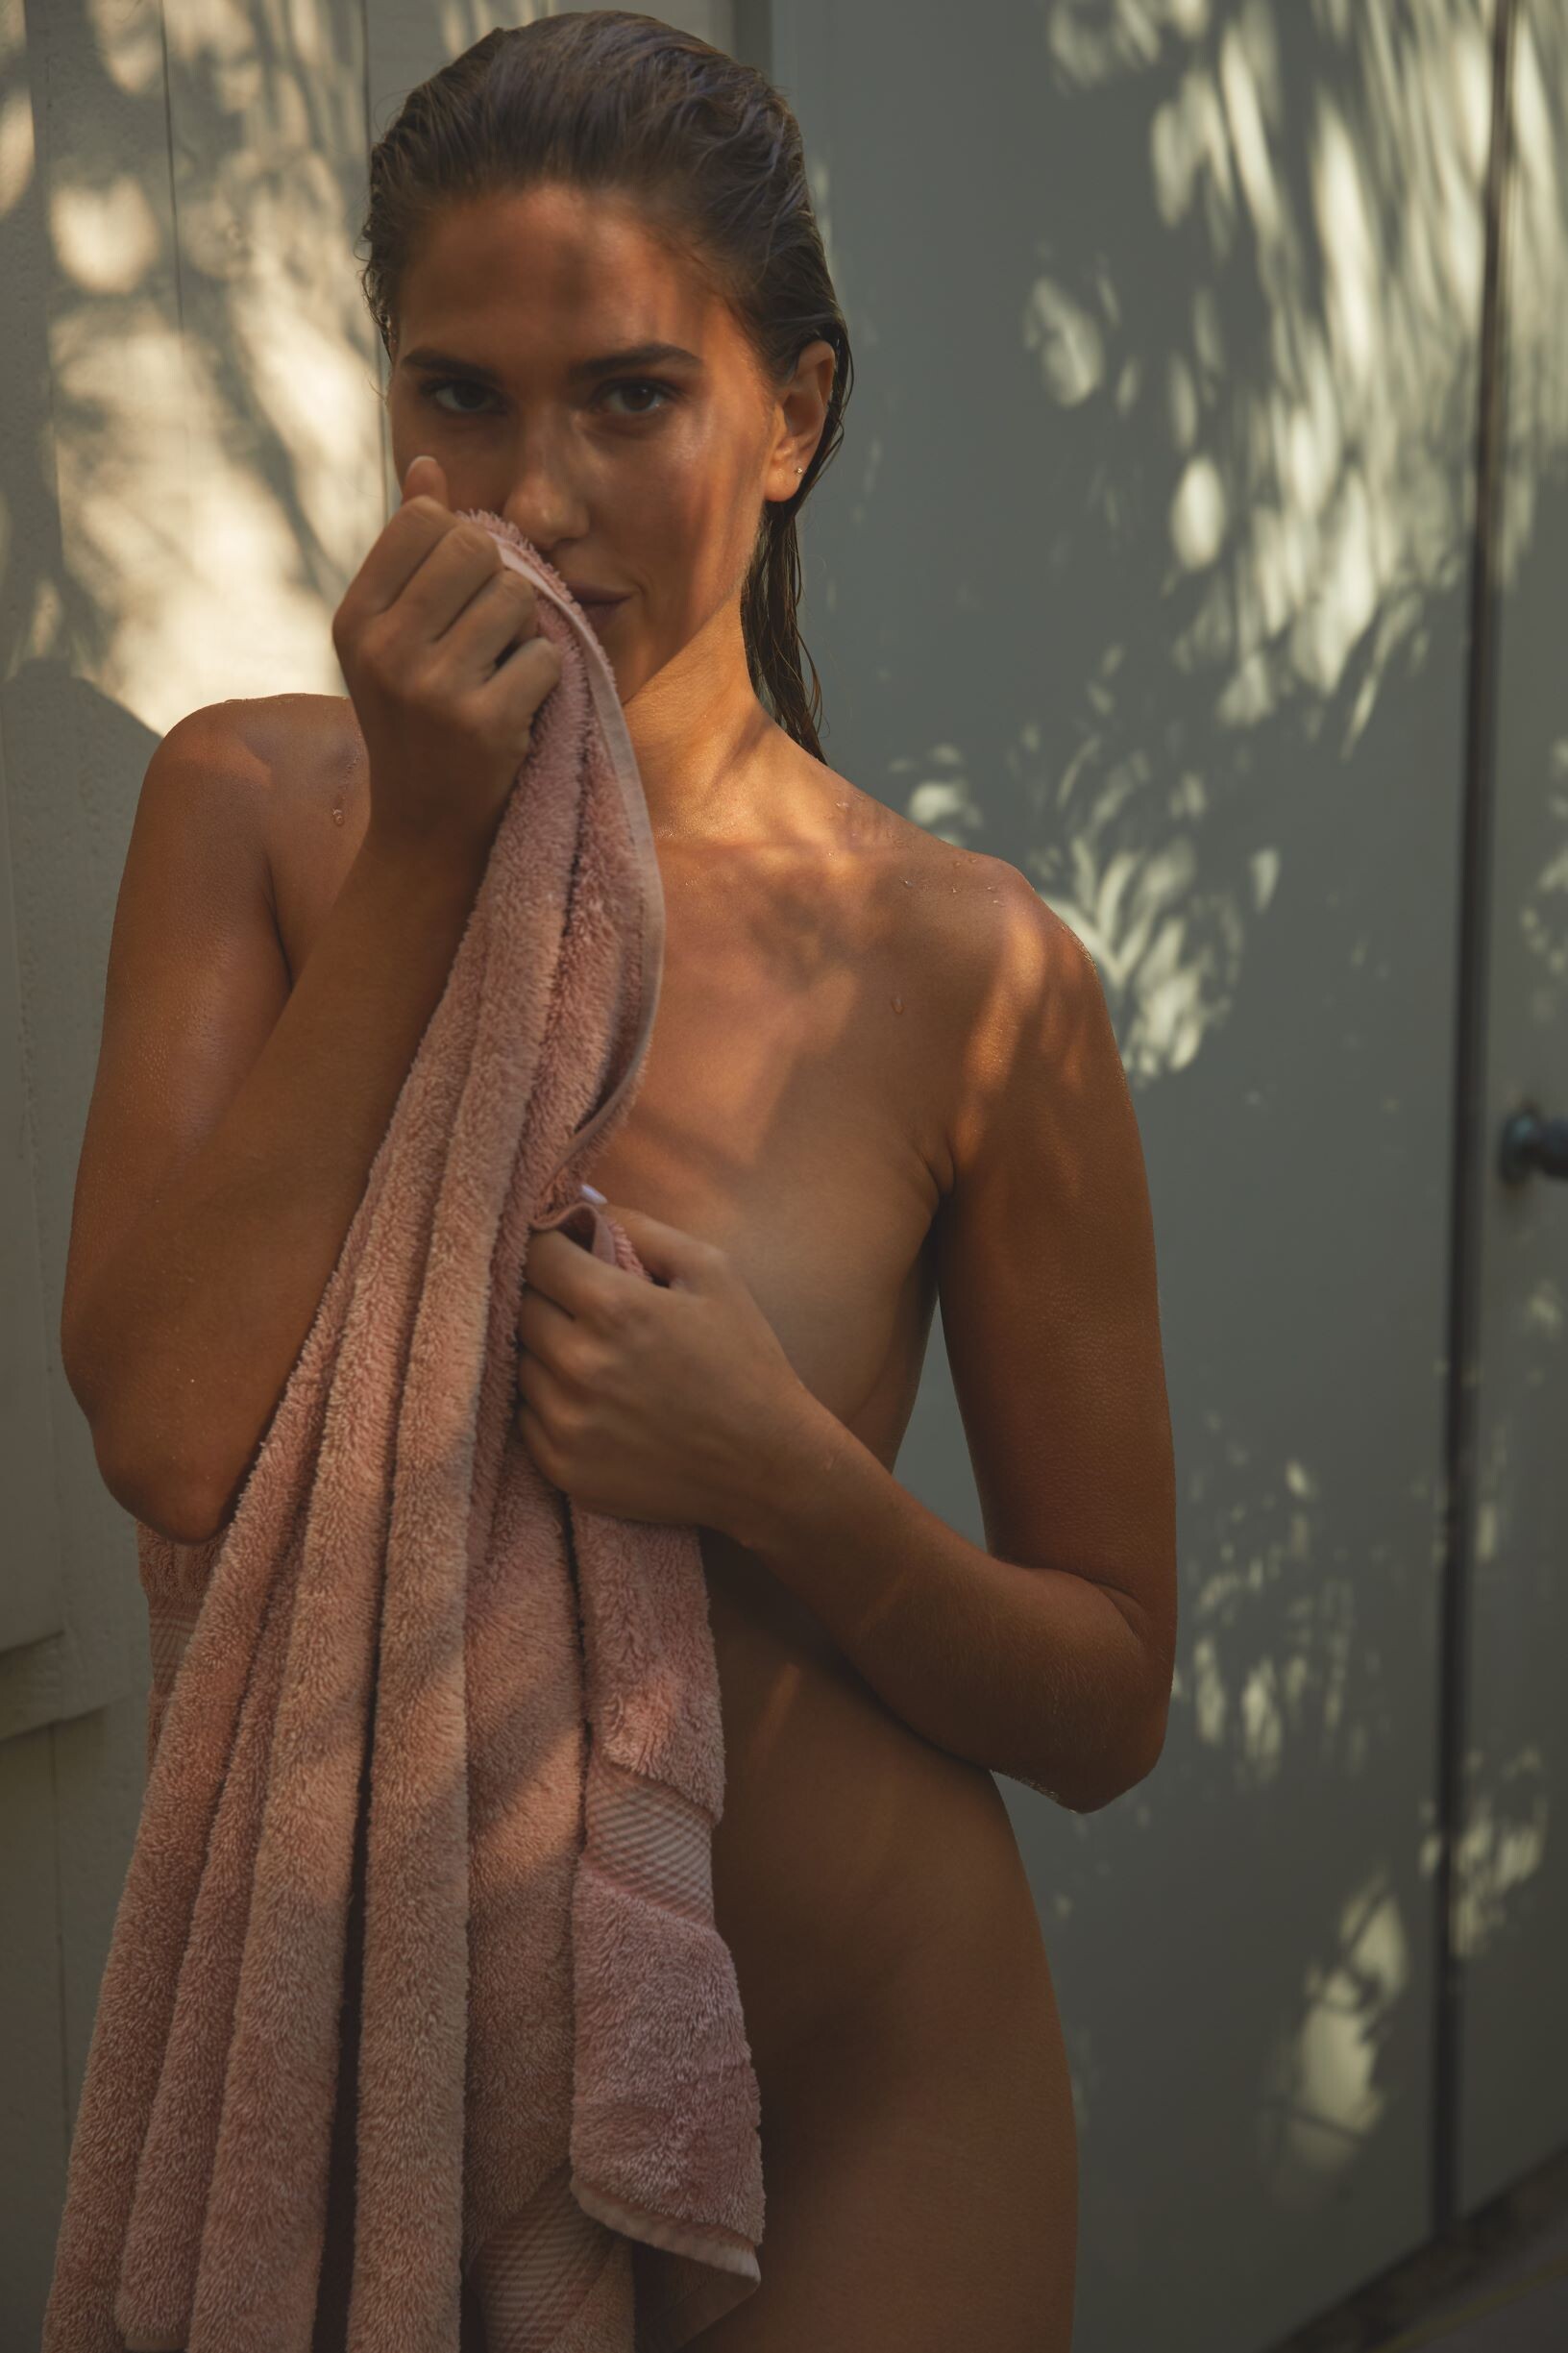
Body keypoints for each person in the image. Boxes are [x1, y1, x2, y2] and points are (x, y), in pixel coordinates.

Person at [60, 13, 1178, 2349]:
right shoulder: (254, 812)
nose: (537, 494)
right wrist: (432, 845)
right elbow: (166, 1427)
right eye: (459, 395)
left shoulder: (971, 966)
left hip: (869, 2101)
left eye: (632, 397)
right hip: (375, 2105)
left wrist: (785, 1477)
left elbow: (1105, 1700)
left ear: (793, 414)